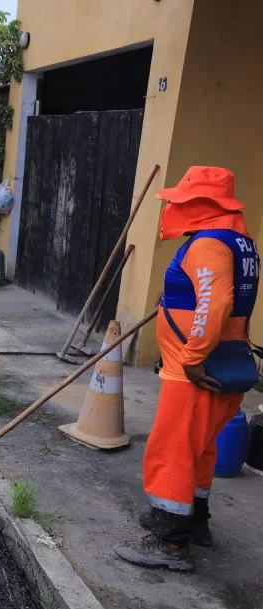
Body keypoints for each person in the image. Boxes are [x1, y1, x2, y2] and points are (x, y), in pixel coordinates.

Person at [115, 166, 257, 572]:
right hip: (227, 363)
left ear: (202, 204)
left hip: (196, 371)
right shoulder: (239, 241)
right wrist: (173, 296)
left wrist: (193, 357)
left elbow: (216, 304)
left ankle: (169, 543)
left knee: (173, 452)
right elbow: (213, 295)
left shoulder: (209, 243)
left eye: (182, 201)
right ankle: (195, 524)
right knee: (200, 449)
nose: (174, 208)